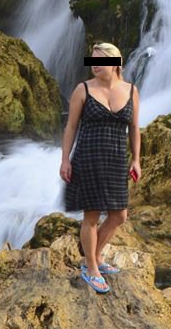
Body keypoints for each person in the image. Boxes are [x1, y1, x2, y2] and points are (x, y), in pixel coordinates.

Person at [59, 42, 141, 294]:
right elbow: (71, 127)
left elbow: (135, 128)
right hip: (88, 158)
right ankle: (92, 267)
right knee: (91, 217)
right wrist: (65, 159)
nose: (95, 65)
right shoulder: (82, 90)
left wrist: (136, 159)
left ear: (115, 63)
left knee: (119, 215)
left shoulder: (131, 90)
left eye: (101, 60)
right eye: (92, 60)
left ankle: (91, 257)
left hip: (116, 159)